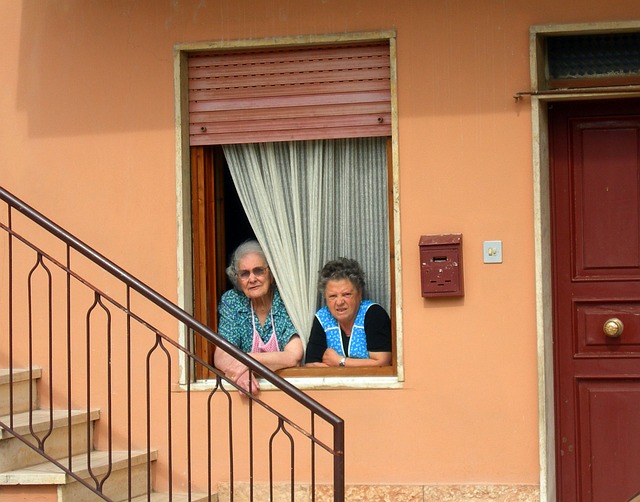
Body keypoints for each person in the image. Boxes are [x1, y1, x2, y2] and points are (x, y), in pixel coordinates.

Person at [215, 240, 303, 394]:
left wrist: (248, 362)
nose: (252, 279)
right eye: (244, 273)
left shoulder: (285, 299)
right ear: (237, 278)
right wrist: (241, 373)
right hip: (249, 394)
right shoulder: (233, 301)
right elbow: (222, 356)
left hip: (288, 391)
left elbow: (293, 356)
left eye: (258, 271)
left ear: (271, 273)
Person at [304, 257, 392, 368]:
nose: (339, 302)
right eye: (332, 296)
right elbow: (311, 365)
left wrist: (340, 362)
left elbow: (382, 362)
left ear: (359, 293)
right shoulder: (322, 318)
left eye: (346, 294)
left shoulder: (373, 314)